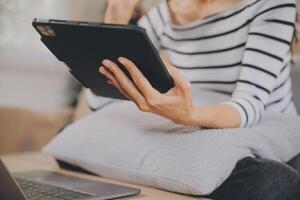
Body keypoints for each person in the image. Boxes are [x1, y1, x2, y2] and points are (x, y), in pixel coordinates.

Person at [88, 0, 300, 199]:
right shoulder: (165, 13)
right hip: (205, 137)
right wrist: (117, 12)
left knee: (272, 181)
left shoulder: (270, 5)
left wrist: (189, 115)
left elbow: (248, 106)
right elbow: (101, 102)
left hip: (270, 141)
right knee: (71, 143)